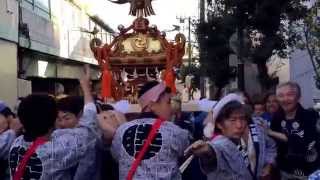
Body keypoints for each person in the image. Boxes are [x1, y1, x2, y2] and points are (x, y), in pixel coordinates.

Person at [9, 65, 97, 180]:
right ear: (53, 121)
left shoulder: (16, 143)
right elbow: (88, 128)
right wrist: (85, 87)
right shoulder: (58, 150)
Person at [107, 81, 189, 180]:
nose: (171, 108)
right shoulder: (174, 131)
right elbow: (186, 151)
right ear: (151, 105)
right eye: (168, 102)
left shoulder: (122, 130)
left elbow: (116, 155)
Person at [189, 93, 277, 180]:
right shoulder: (219, 143)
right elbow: (214, 152)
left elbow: (270, 145)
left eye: (242, 118)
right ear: (219, 124)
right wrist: (208, 151)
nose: (239, 125)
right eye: (233, 120)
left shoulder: (257, 128)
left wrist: (269, 164)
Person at [270, 82, 320, 179]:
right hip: (284, 171)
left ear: (298, 97)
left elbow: (305, 143)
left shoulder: (310, 116)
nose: (285, 99)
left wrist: (272, 133)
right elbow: (273, 144)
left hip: (309, 172)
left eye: (290, 95)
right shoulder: (277, 118)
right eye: (280, 96)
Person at [56, 96, 98, 180]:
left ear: (80, 115)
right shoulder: (55, 137)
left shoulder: (89, 137)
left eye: (67, 118)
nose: (62, 124)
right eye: (59, 119)